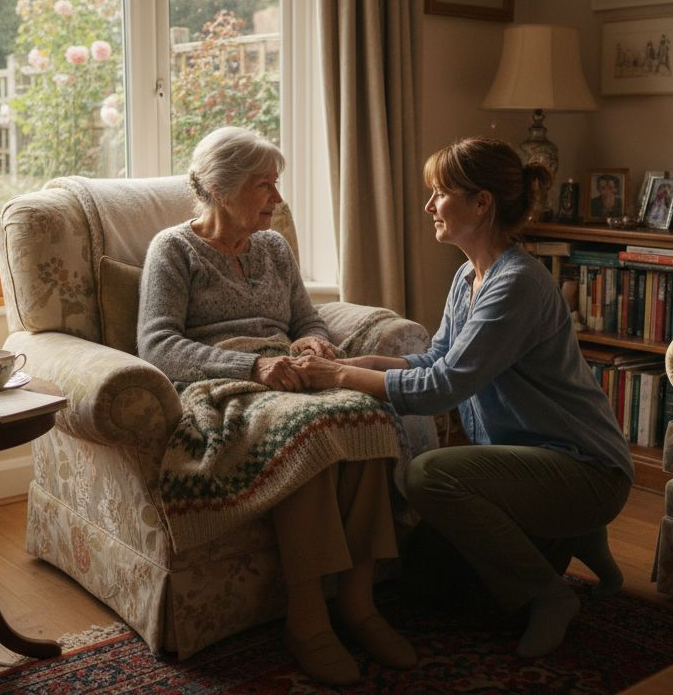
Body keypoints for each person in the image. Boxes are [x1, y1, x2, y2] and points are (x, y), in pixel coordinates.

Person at [292, 137, 634, 658]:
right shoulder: (467, 276)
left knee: (425, 475)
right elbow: (434, 362)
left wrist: (336, 378)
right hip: (531, 462)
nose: (429, 206)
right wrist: (348, 365)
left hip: (583, 466)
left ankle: (551, 595)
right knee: (427, 584)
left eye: (440, 193)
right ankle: (581, 538)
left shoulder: (516, 284)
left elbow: (442, 389)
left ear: (482, 203)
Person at [137, 127, 415, 685]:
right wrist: (252, 366)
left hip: (290, 373)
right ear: (221, 188)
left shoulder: (273, 247)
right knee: (308, 430)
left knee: (368, 416)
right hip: (225, 384)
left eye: (277, 184)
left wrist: (311, 342)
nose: (278, 199)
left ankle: (358, 606)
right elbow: (157, 345)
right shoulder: (173, 249)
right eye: (265, 185)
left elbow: (305, 319)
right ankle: (308, 621)